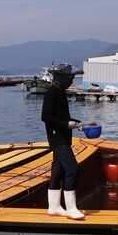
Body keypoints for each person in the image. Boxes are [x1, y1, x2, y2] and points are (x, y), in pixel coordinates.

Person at [41, 64, 93, 220]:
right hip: (57, 138)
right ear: (61, 78)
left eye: (72, 78)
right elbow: (46, 117)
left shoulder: (61, 93)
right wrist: (65, 125)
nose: (71, 81)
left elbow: (63, 117)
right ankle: (71, 208)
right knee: (72, 169)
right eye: (69, 78)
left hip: (64, 136)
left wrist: (79, 123)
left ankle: (54, 207)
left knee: (58, 171)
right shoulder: (52, 93)